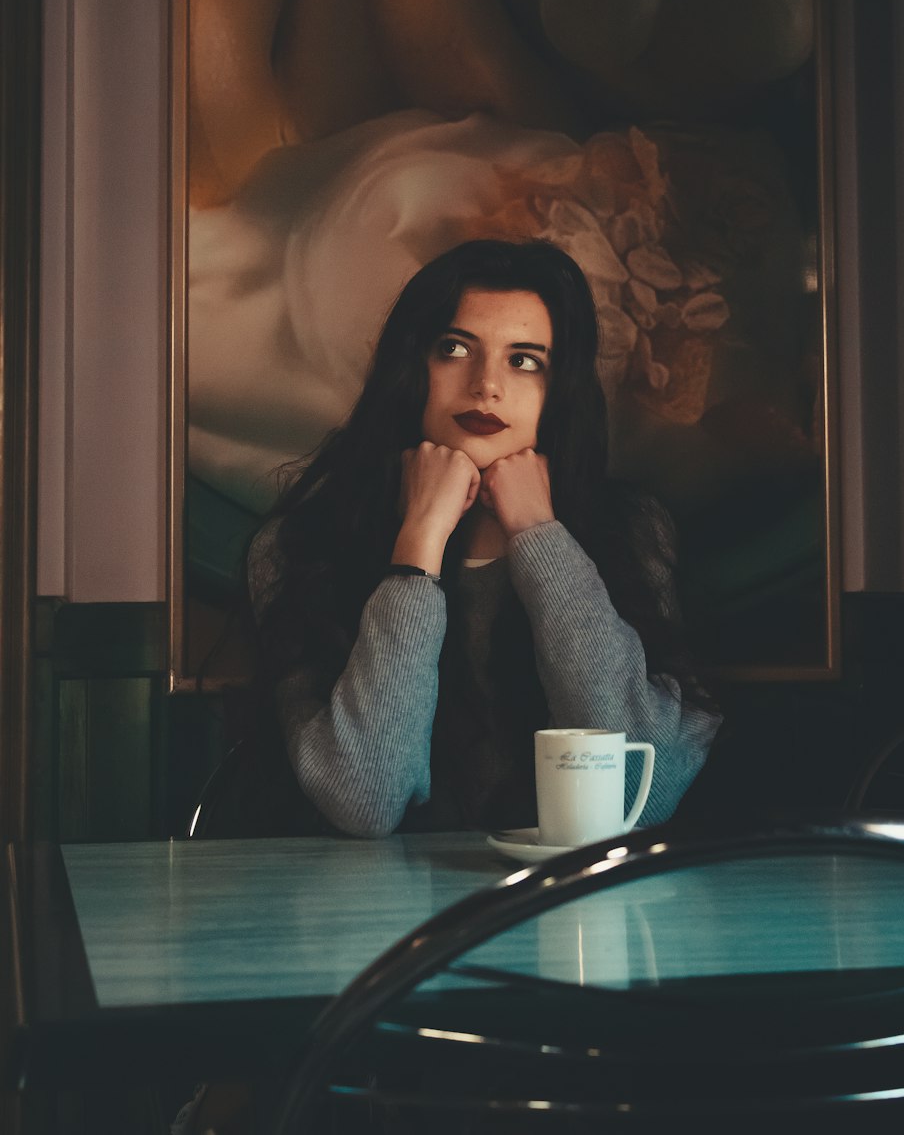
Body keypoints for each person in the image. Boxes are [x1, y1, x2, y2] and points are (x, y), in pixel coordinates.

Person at [245, 238, 721, 838]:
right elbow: (364, 799)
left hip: (576, 909)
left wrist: (539, 536)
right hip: (377, 918)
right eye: (454, 349)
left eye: (525, 360)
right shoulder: (298, 548)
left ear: (559, 392)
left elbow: (634, 793)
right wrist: (418, 540)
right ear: (409, 368)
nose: (486, 385)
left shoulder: (630, 531)